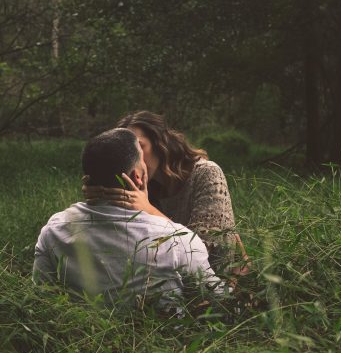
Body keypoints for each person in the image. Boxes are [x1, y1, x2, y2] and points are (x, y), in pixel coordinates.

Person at [33, 128, 227, 310]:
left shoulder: (53, 231)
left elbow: (41, 300)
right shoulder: (180, 240)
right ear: (137, 177)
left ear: (87, 179)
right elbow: (220, 301)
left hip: (80, 341)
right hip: (167, 343)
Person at [83, 111, 247, 271]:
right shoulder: (140, 185)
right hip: (167, 281)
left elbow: (203, 251)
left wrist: (147, 209)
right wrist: (98, 196)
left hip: (217, 281)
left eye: (140, 147)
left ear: (160, 143)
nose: (134, 158)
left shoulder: (206, 173)